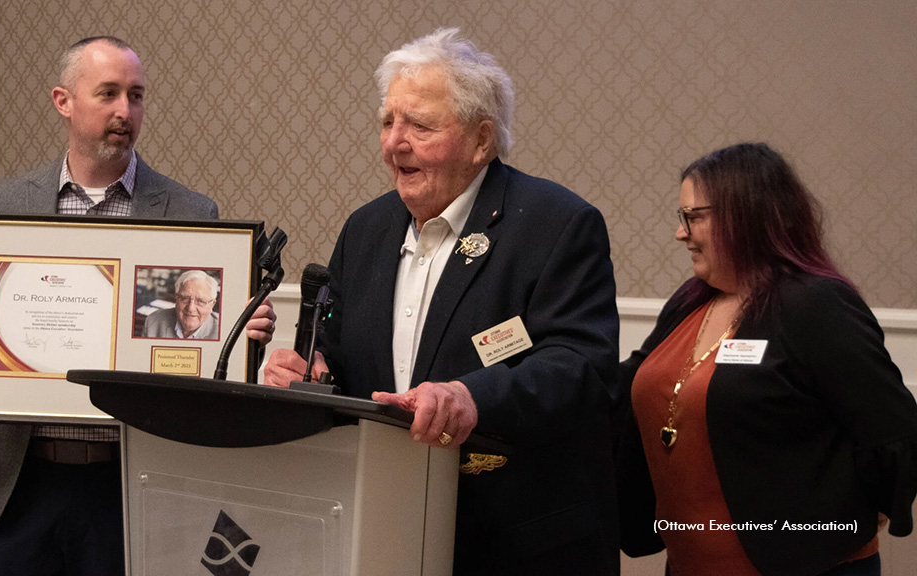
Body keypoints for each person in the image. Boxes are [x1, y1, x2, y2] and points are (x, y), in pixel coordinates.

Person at [0, 36, 276, 575]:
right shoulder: (4, 204)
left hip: (128, 486)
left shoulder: (190, 212)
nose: (125, 111)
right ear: (64, 101)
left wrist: (239, 332)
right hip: (16, 488)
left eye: (136, 95)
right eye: (107, 93)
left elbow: (198, 362)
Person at [264, 28, 620, 575]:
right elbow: (338, 355)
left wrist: (469, 396)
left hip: (516, 541)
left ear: (481, 141)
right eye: (388, 122)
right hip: (385, 527)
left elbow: (580, 367)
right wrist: (312, 375)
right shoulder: (366, 229)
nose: (394, 143)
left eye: (420, 126)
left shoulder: (555, 224)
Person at [617, 142, 917, 576]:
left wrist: (857, 517)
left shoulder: (815, 304)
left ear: (744, 216)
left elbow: (891, 428)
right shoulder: (690, 300)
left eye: (693, 217)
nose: (680, 233)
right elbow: (628, 382)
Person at [142, 270, 221, 339]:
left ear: (212, 305)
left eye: (200, 301)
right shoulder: (153, 322)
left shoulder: (223, 331)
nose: (191, 308)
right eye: (184, 298)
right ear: (176, 299)